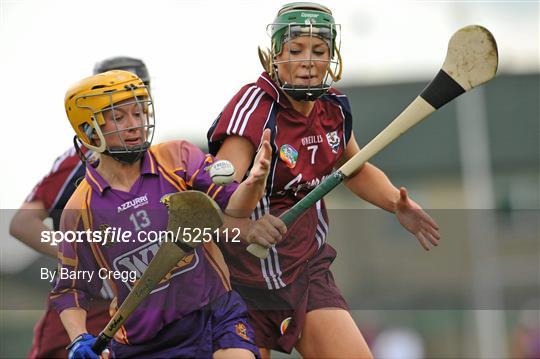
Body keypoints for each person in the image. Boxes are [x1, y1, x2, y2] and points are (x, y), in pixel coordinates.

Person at [207, 2, 441, 358]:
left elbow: (355, 170)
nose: (308, 61)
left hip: (305, 272)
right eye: (296, 50)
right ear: (275, 56)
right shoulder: (252, 110)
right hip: (240, 281)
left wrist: (396, 203)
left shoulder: (333, 108)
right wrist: (247, 223)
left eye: (319, 51)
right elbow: (212, 203)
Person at [51, 69, 284, 359]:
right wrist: (78, 338)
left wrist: (254, 183)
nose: (134, 124)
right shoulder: (80, 210)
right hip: (146, 345)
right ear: (87, 130)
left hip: (214, 315)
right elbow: (70, 289)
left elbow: (231, 205)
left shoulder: (177, 157)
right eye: (119, 117)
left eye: (138, 113)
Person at [9, 56, 151, 359]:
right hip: (86, 307)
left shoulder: (162, 158)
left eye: (137, 99)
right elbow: (23, 223)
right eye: (115, 103)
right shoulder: (79, 161)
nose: (131, 116)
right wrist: (80, 255)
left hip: (140, 311)